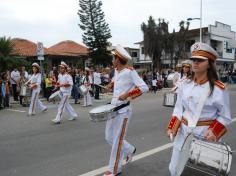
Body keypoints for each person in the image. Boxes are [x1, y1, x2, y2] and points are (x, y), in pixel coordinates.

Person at [166, 42, 232, 176]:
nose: (195, 63)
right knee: (174, 170)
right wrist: (173, 125)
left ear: (209, 63)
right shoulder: (185, 84)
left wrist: (213, 131)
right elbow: (179, 108)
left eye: (200, 60)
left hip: (204, 138)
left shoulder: (218, 89)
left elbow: (225, 116)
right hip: (183, 135)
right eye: (193, 60)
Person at [103, 45, 149, 176]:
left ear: (118, 59)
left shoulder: (130, 71)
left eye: (113, 58)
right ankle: (129, 150)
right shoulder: (117, 71)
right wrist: (108, 86)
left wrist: (127, 94)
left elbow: (144, 87)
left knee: (117, 140)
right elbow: (114, 82)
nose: (112, 60)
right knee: (108, 137)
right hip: (113, 108)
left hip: (124, 111)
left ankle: (114, 169)